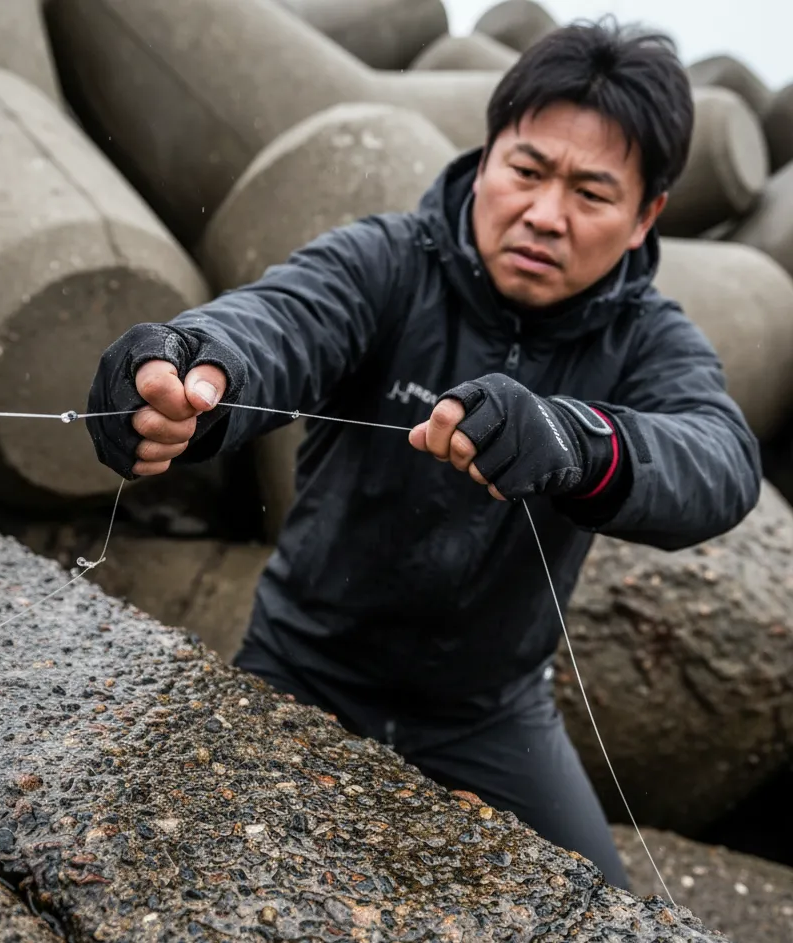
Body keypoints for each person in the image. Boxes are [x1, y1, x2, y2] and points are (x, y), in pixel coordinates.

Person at [83, 18, 762, 888]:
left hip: (492, 715)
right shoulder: (386, 261)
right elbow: (282, 321)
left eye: (592, 194)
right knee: (178, 878)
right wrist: (187, 367)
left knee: (604, 913)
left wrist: (572, 438)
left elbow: (723, 461)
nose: (544, 215)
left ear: (646, 218)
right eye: (526, 170)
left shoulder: (650, 339)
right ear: (487, 157)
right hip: (304, 664)